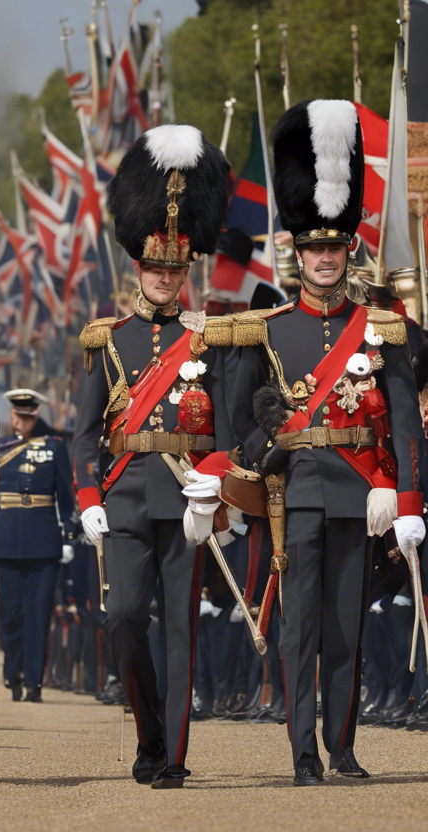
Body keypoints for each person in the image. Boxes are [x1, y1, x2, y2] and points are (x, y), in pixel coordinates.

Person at [219, 100, 424, 785]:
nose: (326, 259)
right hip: (298, 493)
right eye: (314, 249)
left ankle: (341, 745)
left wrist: (405, 493)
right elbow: (237, 416)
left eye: (335, 248)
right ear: (297, 254)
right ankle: (302, 752)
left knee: (347, 630)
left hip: (361, 492)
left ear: (348, 252)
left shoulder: (382, 327)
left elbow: (403, 419)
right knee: (298, 628)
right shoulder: (269, 328)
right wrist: (262, 449)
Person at [73, 125, 233, 789]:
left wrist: (214, 486)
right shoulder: (107, 342)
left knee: (181, 633)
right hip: (130, 493)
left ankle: (172, 755)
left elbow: (227, 427)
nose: (166, 279)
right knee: (125, 619)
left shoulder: (209, 340)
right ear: (137, 268)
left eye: (176, 270)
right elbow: (84, 432)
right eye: (155, 269)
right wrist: (87, 499)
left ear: (186, 272)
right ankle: (148, 732)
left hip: (186, 495)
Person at [0, 389, 76, 703]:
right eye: (16, 415)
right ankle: (13, 674)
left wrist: (67, 537)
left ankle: (35, 682)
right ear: (11, 416)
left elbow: (66, 497)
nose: (21, 421)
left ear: (35, 416)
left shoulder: (54, 448)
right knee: (11, 614)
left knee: (39, 615)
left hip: (44, 542)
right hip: (7, 541)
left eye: (27, 416)